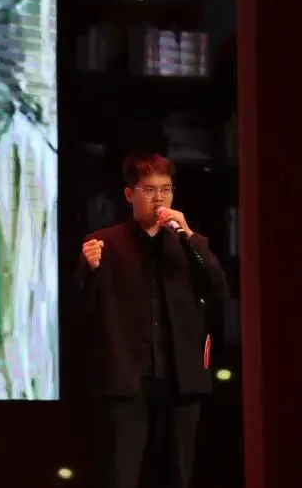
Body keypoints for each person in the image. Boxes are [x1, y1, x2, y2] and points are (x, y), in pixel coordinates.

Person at [75, 152, 231, 488]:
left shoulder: (188, 244)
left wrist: (190, 236)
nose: (159, 198)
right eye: (148, 190)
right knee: (120, 475)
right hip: (125, 380)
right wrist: (89, 270)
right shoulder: (104, 243)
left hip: (181, 380)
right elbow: (82, 314)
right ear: (129, 194)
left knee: (177, 475)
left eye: (166, 189)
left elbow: (219, 292)